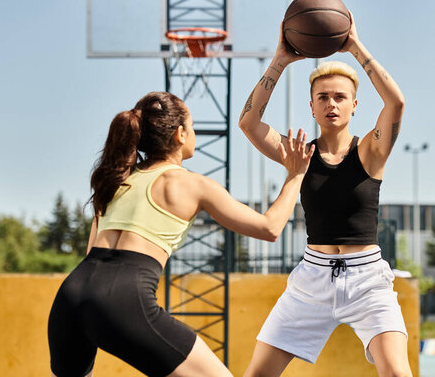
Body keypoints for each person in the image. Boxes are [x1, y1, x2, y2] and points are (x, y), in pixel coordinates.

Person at [47, 91, 314, 377]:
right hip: (122, 297)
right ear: (180, 134)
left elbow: (92, 253)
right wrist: (295, 175)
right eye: (193, 126)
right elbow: (270, 228)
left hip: (71, 294)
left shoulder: (117, 179)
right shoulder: (190, 184)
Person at [238, 12, 412, 377]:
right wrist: (281, 59)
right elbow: (249, 123)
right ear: (312, 106)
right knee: (257, 375)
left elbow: (395, 103)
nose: (331, 103)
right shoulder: (298, 153)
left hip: (368, 282)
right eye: (323, 97)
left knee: (397, 373)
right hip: (311, 282)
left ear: (354, 105)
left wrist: (354, 46)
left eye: (340, 97)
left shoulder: (370, 151)